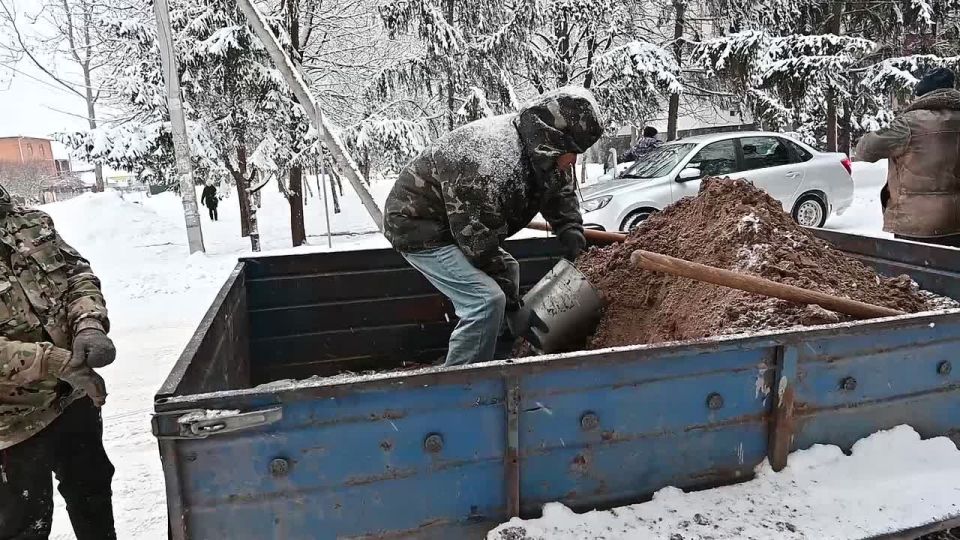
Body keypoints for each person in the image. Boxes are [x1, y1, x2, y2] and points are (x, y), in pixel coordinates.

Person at [384, 86, 603, 367]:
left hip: (458, 223)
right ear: (555, 140)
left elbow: (558, 188)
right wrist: (513, 306)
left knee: (508, 271)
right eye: (573, 151)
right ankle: (462, 381)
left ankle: (496, 350)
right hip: (418, 225)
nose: (573, 160)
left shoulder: (541, 148)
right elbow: (478, 243)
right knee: (485, 302)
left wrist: (572, 234)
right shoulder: (486, 163)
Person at [0, 183, 116, 540]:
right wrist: (56, 362)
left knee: (93, 496)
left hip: (72, 398)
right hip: (11, 426)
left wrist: (89, 324)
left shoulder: (32, 223)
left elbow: (78, 276)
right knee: (23, 525)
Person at [855, 67, 960, 246]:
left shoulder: (909, 124)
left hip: (916, 224)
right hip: (956, 223)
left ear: (922, 95)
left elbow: (865, 150)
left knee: (915, 264)